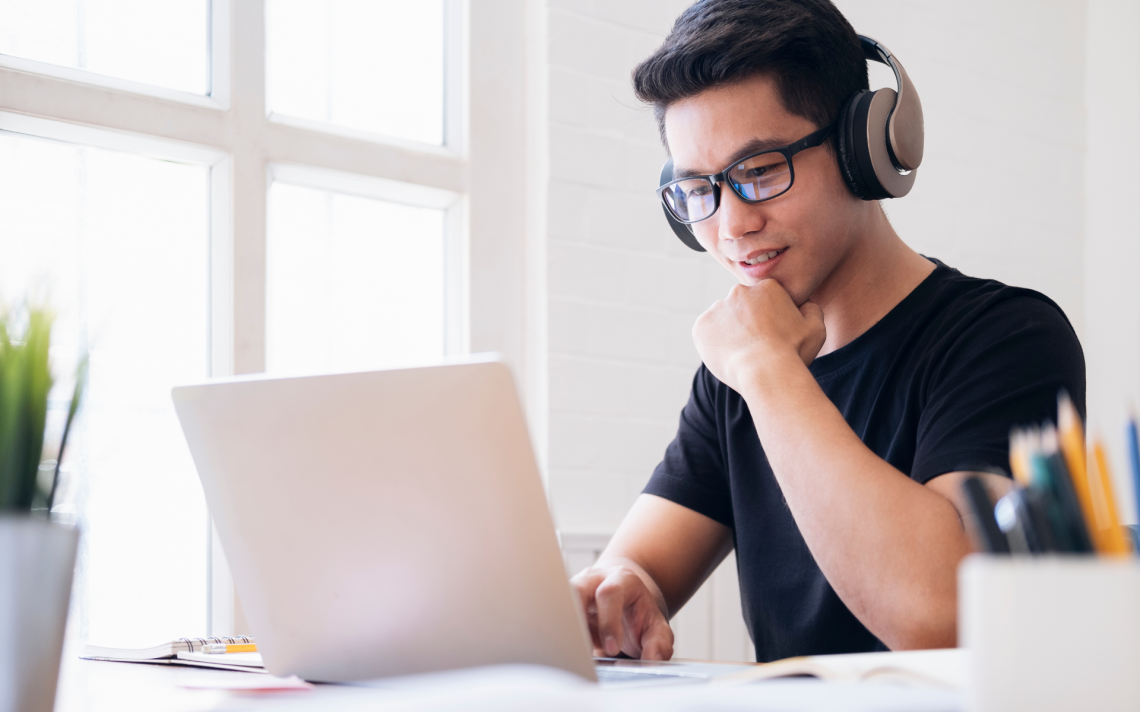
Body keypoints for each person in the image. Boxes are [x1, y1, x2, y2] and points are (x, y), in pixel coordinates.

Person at [569, 0, 1084, 664]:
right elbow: (634, 567)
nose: (731, 226)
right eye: (700, 188)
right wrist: (625, 589)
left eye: (758, 172)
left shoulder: (1007, 337)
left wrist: (769, 373)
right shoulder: (742, 372)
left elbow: (942, 617)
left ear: (863, 149)